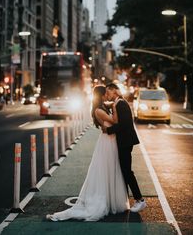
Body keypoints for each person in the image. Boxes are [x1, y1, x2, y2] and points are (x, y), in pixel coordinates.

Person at [46, 85, 129, 222]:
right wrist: (114, 106)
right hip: (107, 143)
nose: (108, 95)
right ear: (102, 96)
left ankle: (112, 200)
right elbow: (115, 121)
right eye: (106, 93)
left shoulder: (103, 108)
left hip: (111, 140)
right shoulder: (98, 110)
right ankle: (105, 200)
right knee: (106, 170)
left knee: (112, 169)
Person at [105, 83, 146, 213]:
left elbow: (125, 124)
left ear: (114, 91)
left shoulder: (121, 103)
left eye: (108, 92)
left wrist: (108, 130)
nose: (107, 95)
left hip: (126, 141)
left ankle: (140, 200)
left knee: (127, 171)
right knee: (124, 171)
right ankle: (127, 199)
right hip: (124, 141)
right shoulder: (118, 102)